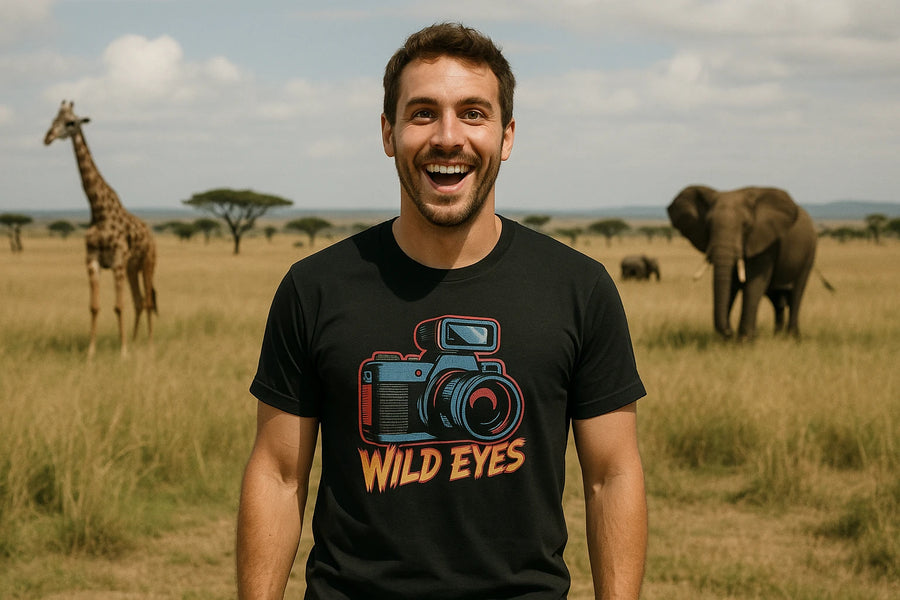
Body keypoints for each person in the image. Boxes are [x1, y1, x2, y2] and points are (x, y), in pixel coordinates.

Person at [237, 22, 647, 600]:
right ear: (388, 132)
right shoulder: (317, 288)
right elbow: (279, 476)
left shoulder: (579, 287)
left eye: (473, 114)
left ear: (506, 137)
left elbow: (612, 477)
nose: (448, 137)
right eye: (423, 113)